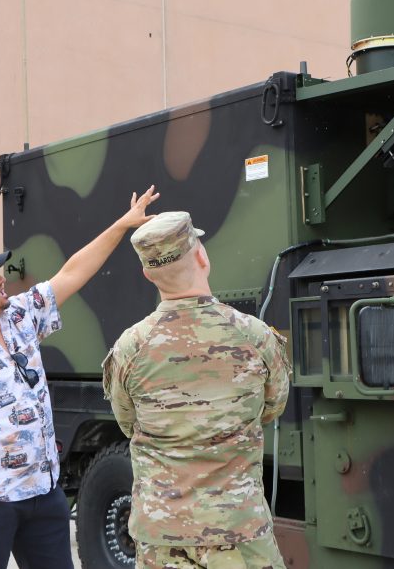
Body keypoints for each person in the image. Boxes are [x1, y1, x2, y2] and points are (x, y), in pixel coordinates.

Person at [0, 186, 160, 569]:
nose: (0, 279)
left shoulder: (20, 315)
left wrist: (123, 225)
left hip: (44, 495)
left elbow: (74, 271)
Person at [102, 211, 291, 569]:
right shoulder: (255, 337)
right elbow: (272, 407)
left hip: (161, 535)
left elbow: (129, 423)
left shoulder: (130, 347)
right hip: (237, 531)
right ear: (202, 257)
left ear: (147, 273)